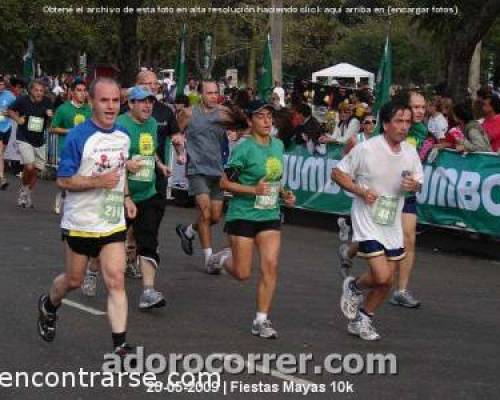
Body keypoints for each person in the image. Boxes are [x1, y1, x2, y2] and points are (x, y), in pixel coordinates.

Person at [37, 77, 137, 356]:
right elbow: (64, 180)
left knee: (116, 278)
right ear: (91, 102)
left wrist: (126, 196)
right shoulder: (78, 136)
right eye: (104, 100)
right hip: (80, 223)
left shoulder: (123, 136)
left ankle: (120, 346)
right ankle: (49, 304)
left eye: (115, 100)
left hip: (111, 221)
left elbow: (119, 172)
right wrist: (98, 181)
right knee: (73, 281)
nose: (110, 106)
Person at [332, 100, 423, 340]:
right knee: (382, 276)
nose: (404, 127)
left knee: (386, 282)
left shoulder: (411, 153)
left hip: (391, 219)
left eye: (407, 122)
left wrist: (414, 185)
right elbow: (337, 173)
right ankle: (354, 288)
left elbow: (418, 182)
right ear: (385, 124)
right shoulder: (367, 149)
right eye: (398, 121)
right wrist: (360, 190)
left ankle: (362, 316)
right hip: (367, 218)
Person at [208, 100, 295, 338]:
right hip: (243, 214)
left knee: (271, 265)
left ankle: (261, 320)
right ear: (250, 121)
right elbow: (224, 183)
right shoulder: (244, 148)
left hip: (269, 214)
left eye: (270, 116)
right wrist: (252, 191)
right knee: (243, 273)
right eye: (261, 117)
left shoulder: (277, 145)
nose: (267, 121)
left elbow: (274, 180)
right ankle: (222, 258)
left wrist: (285, 194)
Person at [175, 80, 244, 270]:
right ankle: (209, 259)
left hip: (217, 171)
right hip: (197, 169)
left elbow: (242, 126)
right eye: (210, 93)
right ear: (200, 95)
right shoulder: (188, 114)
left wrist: (236, 135)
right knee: (204, 213)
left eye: (216, 93)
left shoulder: (223, 113)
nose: (214, 96)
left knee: (214, 217)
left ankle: (188, 231)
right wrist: (179, 151)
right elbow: (176, 134)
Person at [117, 85, 170, 309]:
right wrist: (125, 163)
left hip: (147, 193)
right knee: (111, 244)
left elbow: (151, 150)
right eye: (143, 101)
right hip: (120, 194)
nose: (148, 105)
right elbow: (108, 157)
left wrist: (159, 164)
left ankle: (148, 291)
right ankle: (92, 270)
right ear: (131, 104)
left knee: (148, 239)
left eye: (151, 101)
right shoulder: (120, 125)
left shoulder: (150, 124)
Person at [8, 79, 53, 208]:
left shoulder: (47, 101)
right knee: (29, 167)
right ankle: (24, 191)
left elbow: (51, 122)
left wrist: (50, 116)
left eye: (41, 91)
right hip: (24, 138)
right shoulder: (22, 100)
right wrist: (18, 119)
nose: (39, 93)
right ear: (31, 91)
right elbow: (10, 110)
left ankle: (26, 192)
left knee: (35, 171)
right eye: (36, 90)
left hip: (39, 140)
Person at [50, 79, 92, 214]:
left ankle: (76, 205)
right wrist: (69, 131)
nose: (82, 93)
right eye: (79, 90)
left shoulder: (89, 110)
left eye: (84, 91)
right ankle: (62, 196)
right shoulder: (63, 109)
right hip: (66, 149)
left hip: (85, 150)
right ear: (72, 92)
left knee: (81, 178)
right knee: (68, 177)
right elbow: (52, 128)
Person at [0, 75, 16, 189]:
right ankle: (2, 178)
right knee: (0, 152)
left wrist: (9, 113)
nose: (0, 86)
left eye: (2, 84)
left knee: (2, 153)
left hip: (6, 127)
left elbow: (17, 108)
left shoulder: (9, 96)